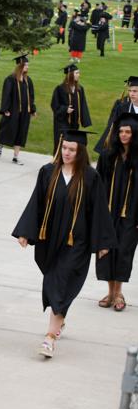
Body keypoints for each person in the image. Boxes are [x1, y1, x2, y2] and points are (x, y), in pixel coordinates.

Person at [12, 130, 116, 358]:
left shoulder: (90, 177)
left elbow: (99, 211)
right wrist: (26, 232)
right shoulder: (48, 172)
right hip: (49, 240)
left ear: (80, 152)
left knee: (60, 282)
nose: (67, 153)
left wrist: (102, 243)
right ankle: (60, 321)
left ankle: (49, 338)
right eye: (64, 148)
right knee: (56, 282)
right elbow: (36, 203)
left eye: (72, 150)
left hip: (76, 242)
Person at [96, 113, 138, 312]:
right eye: (121, 131)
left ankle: (118, 292)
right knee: (107, 251)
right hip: (108, 213)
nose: (123, 135)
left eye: (128, 132)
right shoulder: (107, 155)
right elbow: (97, 185)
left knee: (123, 252)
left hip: (130, 214)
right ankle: (111, 292)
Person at [0, 54, 37, 164]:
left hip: (24, 112)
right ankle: (0, 143)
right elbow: (6, 95)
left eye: (28, 65)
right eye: (25, 65)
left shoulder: (28, 81)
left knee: (21, 132)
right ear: (20, 66)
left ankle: (15, 156)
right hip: (13, 110)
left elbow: (31, 97)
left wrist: (33, 109)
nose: (27, 67)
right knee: (7, 129)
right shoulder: (10, 79)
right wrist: (5, 109)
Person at [51, 64, 91, 154]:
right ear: (70, 74)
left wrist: (84, 121)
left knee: (72, 144)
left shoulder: (79, 89)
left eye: (79, 73)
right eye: (77, 73)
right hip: (62, 122)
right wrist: (65, 109)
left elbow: (83, 105)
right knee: (62, 143)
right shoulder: (60, 89)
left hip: (74, 122)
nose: (78, 75)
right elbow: (54, 105)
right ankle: (57, 163)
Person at [95, 77, 138, 155]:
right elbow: (113, 128)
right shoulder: (122, 108)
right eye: (130, 91)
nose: (131, 94)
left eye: (135, 91)